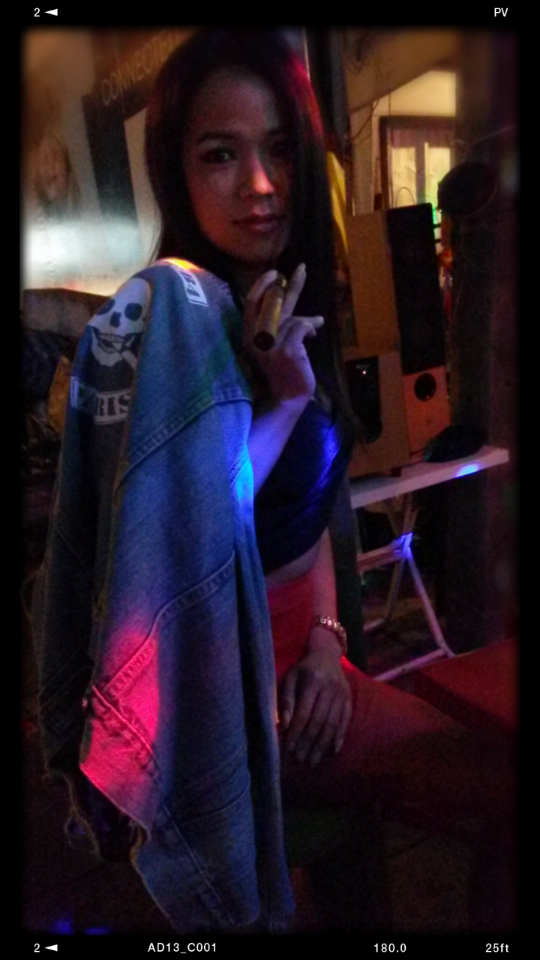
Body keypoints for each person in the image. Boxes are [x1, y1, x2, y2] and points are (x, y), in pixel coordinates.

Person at [32, 28, 514, 935]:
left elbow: (308, 517)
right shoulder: (177, 316)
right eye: (221, 155)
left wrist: (329, 645)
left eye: (281, 149)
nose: (259, 185)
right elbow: (182, 542)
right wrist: (286, 403)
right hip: (235, 699)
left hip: (311, 671)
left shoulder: (277, 300)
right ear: (176, 172)